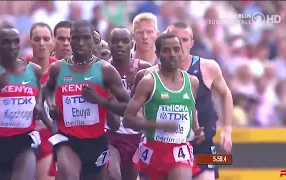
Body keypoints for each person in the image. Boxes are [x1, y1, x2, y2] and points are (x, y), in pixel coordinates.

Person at [134, 22, 233, 180]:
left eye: (185, 40)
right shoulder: (151, 75)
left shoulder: (207, 67)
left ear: (192, 43)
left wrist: (227, 129)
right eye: (175, 39)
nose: (180, 44)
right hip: (163, 147)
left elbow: (226, 94)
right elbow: (134, 110)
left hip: (202, 147)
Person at [43, 20, 130, 180]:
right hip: (67, 139)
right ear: (70, 40)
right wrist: (51, 105)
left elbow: (128, 106)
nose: (80, 43)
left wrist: (101, 101)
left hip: (96, 141)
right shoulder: (58, 68)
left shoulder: (105, 70)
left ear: (93, 40)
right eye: (75, 38)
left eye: (86, 38)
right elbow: (46, 90)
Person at [123, 33, 202, 180]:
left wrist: (196, 129)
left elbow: (190, 109)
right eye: (166, 50)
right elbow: (127, 119)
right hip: (152, 150)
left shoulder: (192, 82)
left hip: (179, 150)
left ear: (181, 51)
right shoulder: (149, 82)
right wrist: (158, 125)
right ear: (157, 53)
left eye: (176, 49)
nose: (172, 54)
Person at [0, 25, 54, 180]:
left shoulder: (33, 70)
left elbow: (39, 106)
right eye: (6, 42)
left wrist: (53, 127)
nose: (12, 46)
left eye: (15, 42)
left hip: (24, 141)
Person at [106, 28, 151, 180]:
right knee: (113, 176)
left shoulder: (144, 69)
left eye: (124, 41)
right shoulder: (102, 69)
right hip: (110, 135)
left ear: (132, 44)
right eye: (115, 41)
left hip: (136, 137)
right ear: (109, 44)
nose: (120, 45)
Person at [25, 22, 58, 180]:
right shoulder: (20, 68)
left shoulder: (61, 70)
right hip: (23, 139)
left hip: (50, 139)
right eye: (37, 39)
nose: (42, 44)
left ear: (52, 41)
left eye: (46, 38)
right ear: (30, 41)